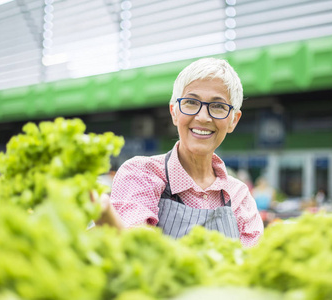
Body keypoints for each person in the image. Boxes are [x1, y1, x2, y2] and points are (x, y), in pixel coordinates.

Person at [98, 57, 264, 248]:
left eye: (218, 106)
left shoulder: (239, 196)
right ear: (174, 112)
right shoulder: (141, 174)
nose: (203, 117)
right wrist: (105, 216)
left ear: (234, 120)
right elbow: (136, 250)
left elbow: (251, 266)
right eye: (191, 102)